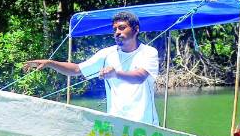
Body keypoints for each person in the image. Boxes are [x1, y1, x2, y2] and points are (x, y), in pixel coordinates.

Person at [22, 11, 159, 124]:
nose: (117, 32)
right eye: (114, 29)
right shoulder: (106, 54)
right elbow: (76, 69)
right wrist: (50, 63)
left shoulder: (148, 52)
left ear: (136, 29)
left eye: (122, 28)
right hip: (116, 124)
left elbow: (140, 76)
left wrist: (115, 73)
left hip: (146, 125)